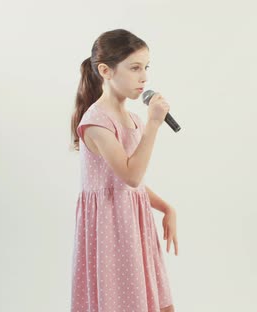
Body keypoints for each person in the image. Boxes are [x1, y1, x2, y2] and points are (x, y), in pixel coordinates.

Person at [69, 29, 178, 312]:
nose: (144, 77)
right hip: (111, 227)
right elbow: (130, 174)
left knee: (158, 302)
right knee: (123, 303)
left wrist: (166, 207)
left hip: (134, 223)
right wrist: (153, 124)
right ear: (105, 70)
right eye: (134, 68)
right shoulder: (96, 121)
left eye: (145, 68)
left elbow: (131, 185)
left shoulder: (132, 119)